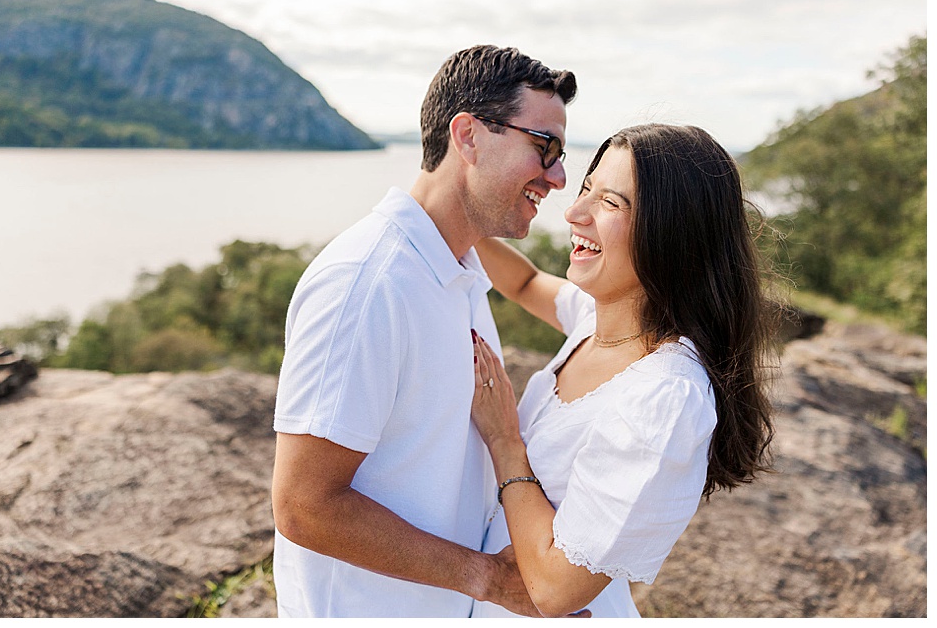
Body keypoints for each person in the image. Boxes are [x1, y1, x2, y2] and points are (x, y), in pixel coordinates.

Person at [270, 45, 579, 617]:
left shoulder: (457, 268)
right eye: (545, 148)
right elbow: (303, 505)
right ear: (468, 137)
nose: (559, 176)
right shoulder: (368, 285)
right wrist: (490, 578)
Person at [467, 123, 774, 617]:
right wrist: (451, 213)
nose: (573, 212)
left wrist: (506, 442)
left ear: (672, 232)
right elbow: (524, 283)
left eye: (610, 203)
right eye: (586, 189)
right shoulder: (597, 317)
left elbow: (555, 589)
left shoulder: (663, 396)